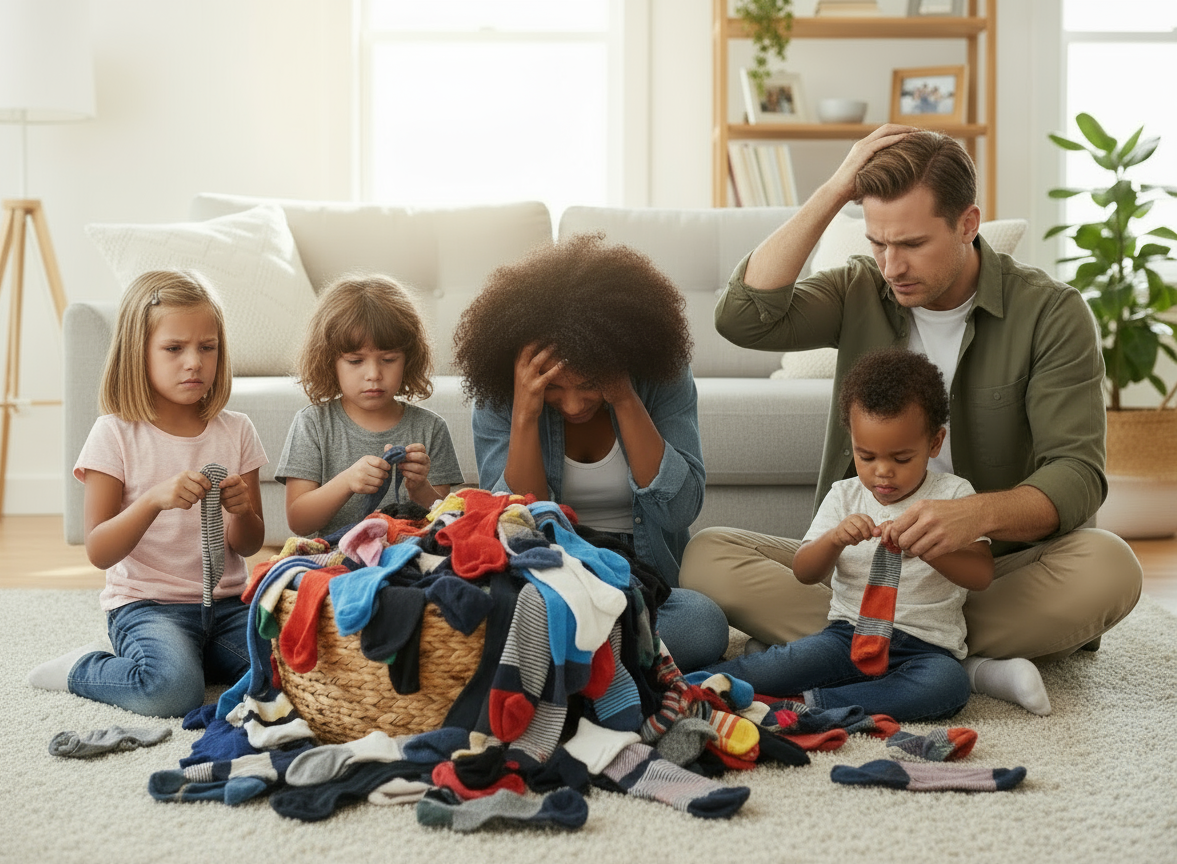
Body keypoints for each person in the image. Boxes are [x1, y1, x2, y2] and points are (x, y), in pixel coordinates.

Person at [681, 125, 1142, 710]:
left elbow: (1076, 474)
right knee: (707, 557)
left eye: (913, 244)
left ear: (968, 224)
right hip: (862, 577)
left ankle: (889, 650)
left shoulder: (1051, 313)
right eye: (878, 243)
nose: (891, 265)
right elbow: (743, 318)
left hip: (986, 572)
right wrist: (835, 188)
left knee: (1111, 568)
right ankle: (954, 663)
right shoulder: (860, 287)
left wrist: (971, 515)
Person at [453, 234, 730, 673]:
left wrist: (622, 395)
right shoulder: (502, 395)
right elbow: (515, 526)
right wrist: (526, 412)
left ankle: (573, 656)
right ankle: (620, 658)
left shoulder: (661, 376)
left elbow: (679, 511)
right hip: (555, 572)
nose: (574, 405)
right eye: (555, 390)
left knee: (702, 626)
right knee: (482, 616)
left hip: (644, 578)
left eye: (588, 386)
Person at [706, 348, 1007, 721]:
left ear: (934, 443)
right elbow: (804, 571)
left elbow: (981, 575)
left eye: (900, 459)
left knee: (947, 686)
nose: (882, 472)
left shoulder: (954, 494)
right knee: (780, 664)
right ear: (851, 442)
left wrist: (931, 548)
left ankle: (804, 707)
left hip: (926, 649)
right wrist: (834, 539)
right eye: (866, 457)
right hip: (846, 638)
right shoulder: (845, 495)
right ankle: (683, 687)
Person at [28, 270, 267, 717]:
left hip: (228, 605)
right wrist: (153, 500)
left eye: (207, 347)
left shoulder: (237, 431)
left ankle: (199, 660)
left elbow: (248, 543)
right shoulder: (114, 434)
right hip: (148, 607)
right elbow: (99, 549)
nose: (193, 361)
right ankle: (82, 667)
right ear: (138, 354)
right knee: (171, 692)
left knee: (289, 670)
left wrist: (243, 512)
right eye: (174, 349)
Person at [276, 274, 463, 538]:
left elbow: (445, 522)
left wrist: (420, 488)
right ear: (329, 362)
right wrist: (347, 481)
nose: (373, 374)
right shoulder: (313, 424)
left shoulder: (431, 428)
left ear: (408, 359)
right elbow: (299, 521)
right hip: (335, 557)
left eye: (388, 359)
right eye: (355, 361)